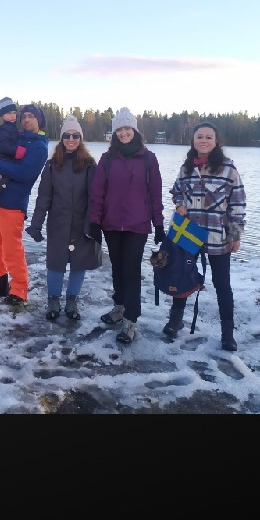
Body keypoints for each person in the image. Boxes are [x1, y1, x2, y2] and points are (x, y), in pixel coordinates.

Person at [166, 120, 246, 351]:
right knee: (181, 277)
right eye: (199, 136)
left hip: (217, 236)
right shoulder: (187, 168)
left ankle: (227, 333)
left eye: (208, 137)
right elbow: (176, 191)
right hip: (189, 235)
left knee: (222, 284)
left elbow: (238, 204)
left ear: (216, 141)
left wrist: (235, 235)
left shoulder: (229, 169)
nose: (203, 140)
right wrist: (180, 204)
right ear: (193, 140)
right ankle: (175, 320)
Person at [89, 107, 165, 346]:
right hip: (111, 224)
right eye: (119, 129)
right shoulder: (107, 159)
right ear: (115, 133)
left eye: (127, 128)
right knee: (117, 268)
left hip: (137, 225)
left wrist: (159, 223)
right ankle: (119, 307)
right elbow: (98, 192)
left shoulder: (149, 159)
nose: (123, 133)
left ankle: (131, 320)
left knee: (131, 270)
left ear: (135, 130)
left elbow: (155, 193)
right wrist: (94, 220)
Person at [25, 114, 102, 321]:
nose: (71, 139)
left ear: (80, 138)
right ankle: (53, 301)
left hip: (82, 224)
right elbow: (44, 197)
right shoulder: (51, 165)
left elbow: (95, 197)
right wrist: (36, 224)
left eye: (75, 135)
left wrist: (94, 224)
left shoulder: (89, 165)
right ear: (61, 138)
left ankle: (71, 302)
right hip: (58, 223)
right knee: (56, 264)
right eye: (67, 135)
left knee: (79, 264)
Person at [0, 103, 48, 305]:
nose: (26, 119)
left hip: (12, 203)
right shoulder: (17, 137)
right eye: (23, 116)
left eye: (31, 117)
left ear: (39, 120)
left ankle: (19, 289)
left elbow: (24, 173)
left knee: (11, 250)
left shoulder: (39, 146)